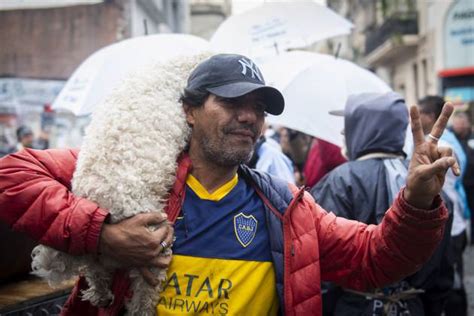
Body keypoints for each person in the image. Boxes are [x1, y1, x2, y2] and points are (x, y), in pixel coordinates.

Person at [0, 53, 459, 315]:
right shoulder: (131, 177)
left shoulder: (285, 209)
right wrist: (102, 234)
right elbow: (11, 176)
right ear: (189, 110)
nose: (249, 116)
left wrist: (417, 202)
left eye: (259, 107)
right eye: (232, 100)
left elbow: (375, 259)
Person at [311, 92, 454, 316]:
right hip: (414, 307)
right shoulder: (428, 179)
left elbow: (322, 271)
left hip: (355, 308)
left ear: (361, 128)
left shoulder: (339, 181)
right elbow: (443, 269)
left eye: (348, 124)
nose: (342, 132)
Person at [416, 96, 469, 316]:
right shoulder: (445, 140)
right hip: (453, 222)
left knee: (450, 282)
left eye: (419, 114)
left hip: (449, 224)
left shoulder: (442, 144)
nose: (416, 120)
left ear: (429, 116)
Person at [451, 111, 474, 244]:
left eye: (462, 123)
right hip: (458, 182)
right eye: (457, 123)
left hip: (472, 182)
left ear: (467, 124)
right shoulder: (450, 138)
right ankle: (460, 237)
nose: (459, 126)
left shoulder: (472, 137)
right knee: (458, 211)